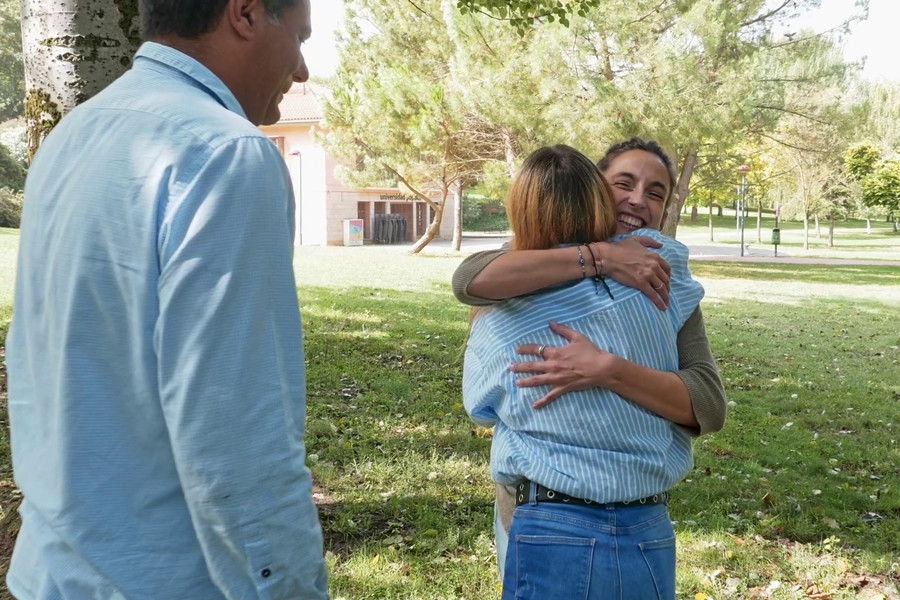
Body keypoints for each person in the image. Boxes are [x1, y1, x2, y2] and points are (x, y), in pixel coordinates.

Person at [5, 1, 329, 598]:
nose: (302, 68)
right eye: (301, 37)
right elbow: (238, 439)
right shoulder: (227, 153)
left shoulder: (71, 136)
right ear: (248, 13)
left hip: (50, 573)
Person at [456, 138, 726, 582]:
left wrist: (608, 370)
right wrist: (601, 257)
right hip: (565, 515)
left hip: (609, 517)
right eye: (624, 183)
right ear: (594, 189)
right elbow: (468, 279)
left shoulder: (661, 272)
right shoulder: (524, 270)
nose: (638, 199)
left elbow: (709, 406)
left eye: (656, 192)